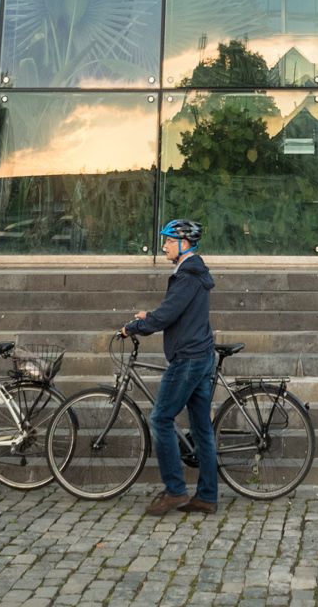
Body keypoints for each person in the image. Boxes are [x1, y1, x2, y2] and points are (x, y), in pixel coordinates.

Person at [120, 218, 218, 515]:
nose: (163, 245)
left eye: (167, 240)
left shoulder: (187, 274)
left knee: (161, 419)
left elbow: (167, 316)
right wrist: (150, 315)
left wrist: (135, 326)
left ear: (183, 243)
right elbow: (174, 311)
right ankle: (207, 497)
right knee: (202, 430)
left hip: (188, 358)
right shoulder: (192, 272)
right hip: (200, 355)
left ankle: (175, 490)